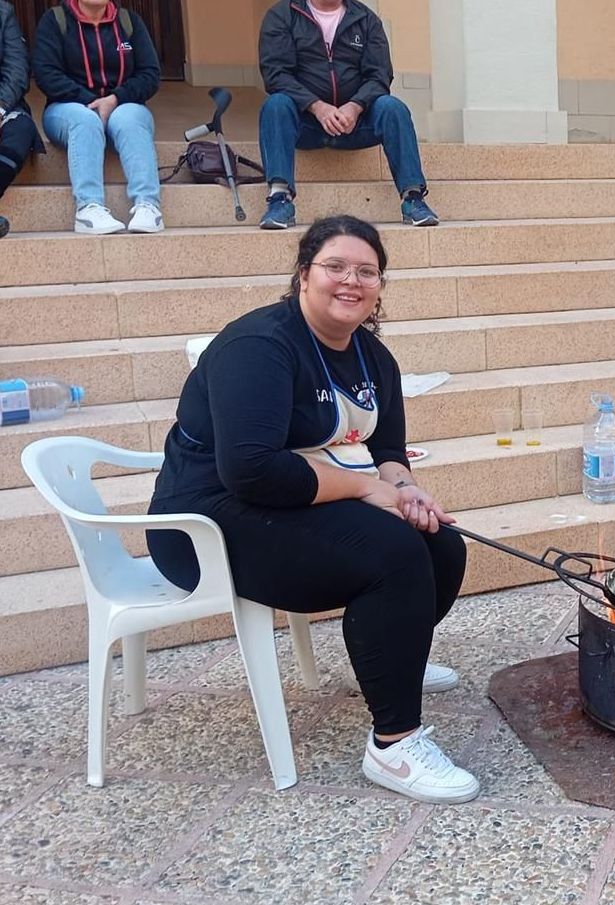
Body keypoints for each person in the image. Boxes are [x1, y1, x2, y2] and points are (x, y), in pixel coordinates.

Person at [146, 216, 477, 805]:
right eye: (335, 267)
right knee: (395, 556)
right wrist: (364, 490)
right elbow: (249, 469)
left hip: (288, 500)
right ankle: (394, 745)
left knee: (440, 544)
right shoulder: (258, 346)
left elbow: (388, 452)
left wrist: (404, 489)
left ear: (379, 285)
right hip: (204, 521)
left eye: (367, 272)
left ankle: (391, 661)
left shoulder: (372, 356)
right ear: (304, 274)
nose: (351, 281)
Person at [257, 0, 437, 230]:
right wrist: (317, 107)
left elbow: (379, 75)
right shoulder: (283, 15)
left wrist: (355, 106)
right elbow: (276, 74)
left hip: (355, 124)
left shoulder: (366, 19)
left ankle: (413, 198)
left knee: (393, 108)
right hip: (305, 123)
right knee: (275, 105)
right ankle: (279, 198)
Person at [31, 0, 163, 235]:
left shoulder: (129, 22)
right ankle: (88, 208)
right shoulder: (55, 20)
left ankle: (148, 205)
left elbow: (150, 73)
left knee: (131, 119)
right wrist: (90, 101)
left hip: (121, 105)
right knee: (85, 120)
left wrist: (115, 98)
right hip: (67, 107)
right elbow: (46, 73)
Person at [0, 0, 43, 239]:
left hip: (3, 104)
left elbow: (17, 69)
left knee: (21, 129)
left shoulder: (2, 12)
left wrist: (0, 107)